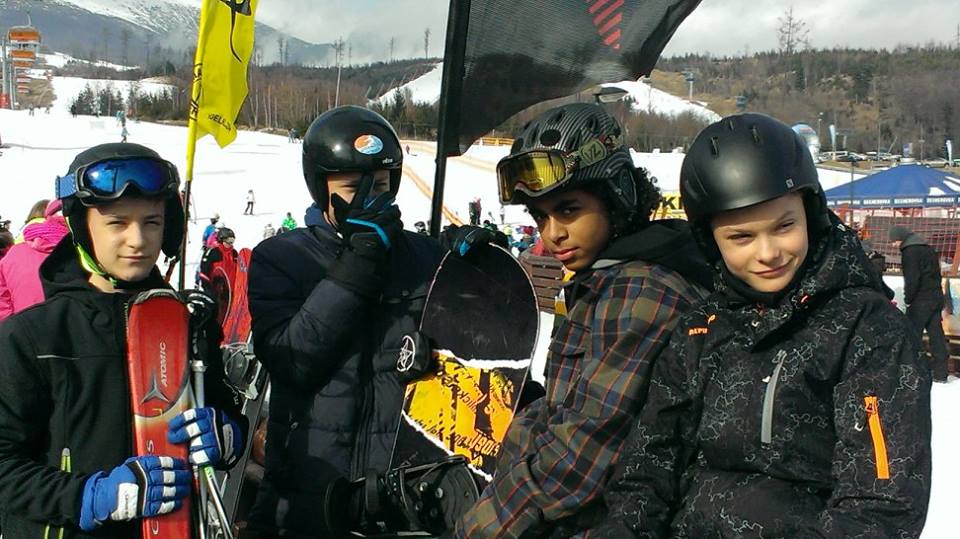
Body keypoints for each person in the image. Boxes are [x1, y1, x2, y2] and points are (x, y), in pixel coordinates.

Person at [597, 113, 931, 537]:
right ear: (711, 241)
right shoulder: (701, 330)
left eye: (784, 226)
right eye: (741, 237)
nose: (768, 252)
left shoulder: (866, 330)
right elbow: (650, 462)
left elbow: (881, 503)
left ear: (810, 214)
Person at [456, 103, 713, 537]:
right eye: (540, 216)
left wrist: (478, 529)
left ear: (616, 195)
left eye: (569, 210)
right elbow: (560, 411)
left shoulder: (639, 293)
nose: (552, 233)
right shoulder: (608, 280)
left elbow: (580, 454)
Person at [0, 142, 246, 538]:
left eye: (152, 222)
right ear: (82, 227)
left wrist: (227, 434)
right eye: (117, 223)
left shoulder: (186, 325)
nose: (138, 240)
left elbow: (227, 414)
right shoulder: (32, 337)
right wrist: (88, 497)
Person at [245, 106, 448, 537]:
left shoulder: (424, 257)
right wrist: (360, 261)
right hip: (310, 499)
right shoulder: (282, 258)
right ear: (321, 188)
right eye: (353, 188)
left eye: (381, 185)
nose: (369, 200)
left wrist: (477, 268)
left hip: (399, 499)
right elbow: (293, 361)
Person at [889, 224, 950, 382]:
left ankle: (912, 370)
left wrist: (908, 299)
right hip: (936, 296)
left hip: (920, 300)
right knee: (936, 336)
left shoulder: (909, 252)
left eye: (894, 241)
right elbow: (937, 274)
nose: (893, 245)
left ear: (900, 238)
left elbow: (912, 279)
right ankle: (941, 373)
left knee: (911, 336)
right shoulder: (928, 249)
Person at [0, 199, 70, 319]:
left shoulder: (12, 255)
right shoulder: (79, 247)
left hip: (25, 324)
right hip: (75, 323)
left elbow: (3, 307)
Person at [199, 226, 238, 324]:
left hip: (230, 293)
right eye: (228, 241)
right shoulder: (213, 252)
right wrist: (209, 290)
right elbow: (204, 272)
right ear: (221, 240)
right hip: (216, 292)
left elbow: (239, 272)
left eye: (232, 241)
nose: (230, 244)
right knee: (217, 319)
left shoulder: (234, 254)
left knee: (229, 320)